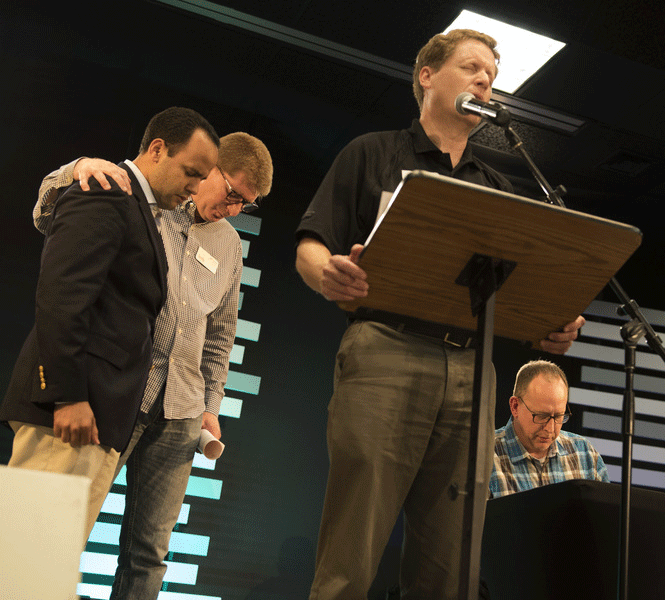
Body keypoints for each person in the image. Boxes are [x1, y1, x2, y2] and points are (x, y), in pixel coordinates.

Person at [294, 29, 586, 600]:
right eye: (472, 67)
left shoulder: (498, 186)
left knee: (450, 565)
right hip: (385, 349)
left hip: (473, 369)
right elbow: (311, 243)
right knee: (353, 548)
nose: (485, 80)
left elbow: (521, 289)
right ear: (426, 75)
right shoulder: (372, 153)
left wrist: (553, 318)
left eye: (492, 77)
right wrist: (325, 271)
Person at [31, 131, 273, 599]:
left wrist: (210, 405)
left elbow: (220, 336)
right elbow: (45, 216)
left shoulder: (229, 246)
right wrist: (76, 166)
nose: (234, 210)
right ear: (210, 169)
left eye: (248, 204)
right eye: (233, 194)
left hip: (181, 410)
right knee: (60, 530)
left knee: (149, 555)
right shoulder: (146, 206)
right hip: (115, 393)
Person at [1, 107, 220, 549]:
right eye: (191, 172)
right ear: (157, 150)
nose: (196, 188)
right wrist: (68, 396)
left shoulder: (142, 210)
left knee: (46, 563)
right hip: (70, 414)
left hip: (98, 419)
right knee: (26, 560)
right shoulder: (104, 191)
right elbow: (62, 297)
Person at [490, 360, 609, 498]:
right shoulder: (483, 456)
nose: (550, 428)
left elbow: (608, 518)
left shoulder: (584, 454)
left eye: (559, 416)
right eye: (541, 416)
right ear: (515, 406)